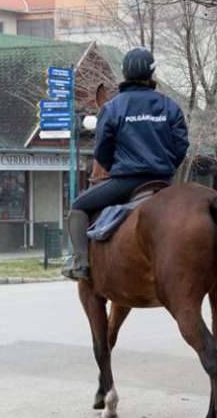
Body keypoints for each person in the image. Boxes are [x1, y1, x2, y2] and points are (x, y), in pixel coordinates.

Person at [62, 47, 190, 280]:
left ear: (124, 73)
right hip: (163, 182)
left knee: (79, 206)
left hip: (126, 182)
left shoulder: (112, 108)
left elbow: (102, 150)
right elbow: (181, 146)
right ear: (152, 74)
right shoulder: (170, 106)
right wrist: (166, 167)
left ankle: (80, 263)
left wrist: (117, 168)